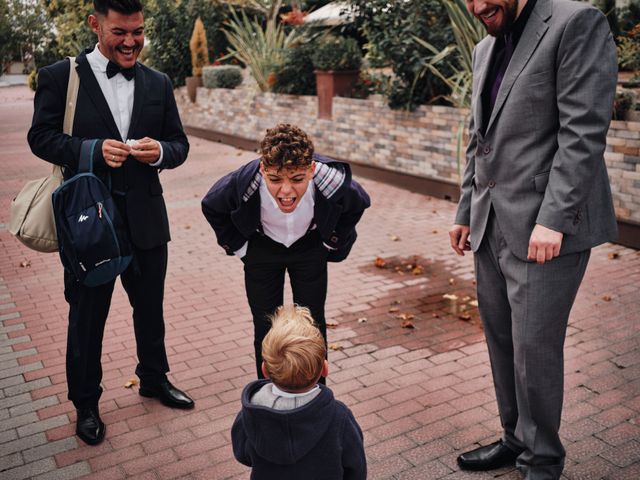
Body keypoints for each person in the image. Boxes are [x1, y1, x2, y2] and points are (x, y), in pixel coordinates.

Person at [448, 0, 618, 477]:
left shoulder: (575, 22)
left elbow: (583, 131)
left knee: (534, 350)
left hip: (547, 230)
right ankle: (515, 438)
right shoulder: (484, 47)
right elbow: (477, 137)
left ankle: (541, 461)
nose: (478, 5)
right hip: (490, 223)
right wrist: (465, 209)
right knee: (503, 343)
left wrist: (555, 219)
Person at [28, 0, 194, 446]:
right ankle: (85, 405)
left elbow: (179, 144)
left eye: (138, 32)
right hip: (89, 223)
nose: (131, 42)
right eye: (120, 31)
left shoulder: (158, 82)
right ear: (95, 24)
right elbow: (40, 137)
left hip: (146, 220)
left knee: (151, 311)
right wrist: (90, 151)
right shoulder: (60, 77)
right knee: (86, 318)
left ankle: (154, 379)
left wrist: (159, 152)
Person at [202, 124, 370, 378]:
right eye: (275, 179)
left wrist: (329, 243)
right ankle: (266, 389)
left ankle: (316, 390)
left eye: (297, 179)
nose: (286, 191)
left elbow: (358, 203)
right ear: (263, 170)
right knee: (266, 325)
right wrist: (241, 248)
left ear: (311, 170)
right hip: (261, 249)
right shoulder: (244, 182)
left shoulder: (329, 180)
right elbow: (211, 206)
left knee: (313, 322)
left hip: (310, 247)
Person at [231, 305, 367, 479]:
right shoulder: (339, 416)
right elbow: (355, 465)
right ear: (325, 369)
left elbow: (242, 453)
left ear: (264, 370)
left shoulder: (251, 413)